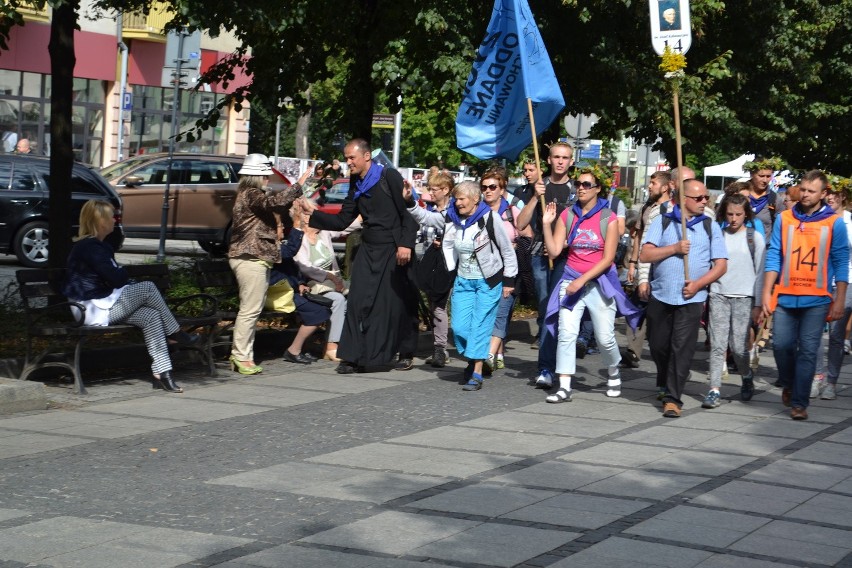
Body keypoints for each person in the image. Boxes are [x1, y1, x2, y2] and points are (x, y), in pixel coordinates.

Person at [62, 200, 199, 393]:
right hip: (89, 309)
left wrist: (120, 274)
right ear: (101, 221)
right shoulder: (90, 248)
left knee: (151, 316)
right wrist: (121, 273)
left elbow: (115, 278)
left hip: (105, 304)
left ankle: (163, 373)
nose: (115, 220)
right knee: (148, 287)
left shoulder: (100, 246)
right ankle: (174, 332)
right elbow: (117, 279)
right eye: (111, 217)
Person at [308, 138, 419, 374]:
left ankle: (392, 354)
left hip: (393, 248)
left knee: (390, 304)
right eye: (346, 158)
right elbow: (342, 220)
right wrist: (312, 215)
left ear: (366, 156)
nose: (348, 163)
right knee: (357, 300)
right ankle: (351, 356)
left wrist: (405, 244)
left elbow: (406, 215)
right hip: (369, 248)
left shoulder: (388, 176)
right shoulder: (356, 183)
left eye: (352, 158)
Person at [540, 170, 640, 402]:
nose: (581, 188)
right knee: (567, 334)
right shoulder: (567, 215)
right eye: (578, 184)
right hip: (571, 278)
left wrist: (582, 281)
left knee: (605, 337)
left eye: (587, 184)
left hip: (599, 282)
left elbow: (608, 259)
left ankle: (614, 371)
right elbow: (555, 251)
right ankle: (564, 386)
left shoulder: (608, 218)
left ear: (597, 189)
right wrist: (546, 224)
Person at [409, 181, 517, 391]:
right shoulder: (452, 216)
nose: (457, 203)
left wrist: (509, 281)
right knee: (459, 328)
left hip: (488, 281)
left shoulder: (490, 218)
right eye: (456, 199)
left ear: (475, 199)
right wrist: (409, 202)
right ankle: (474, 358)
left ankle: (476, 371)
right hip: (463, 280)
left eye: (461, 199)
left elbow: (507, 251)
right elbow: (427, 217)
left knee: (479, 326)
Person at [762, 170, 847, 420]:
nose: (806, 194)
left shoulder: (834, 222)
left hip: (818, 298)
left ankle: (799, 402)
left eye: (812, 191)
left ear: (823, 193)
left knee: (809, 350)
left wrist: (839, 299)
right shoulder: (785, 218)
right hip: (786, 295)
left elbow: (841, 261)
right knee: (781, 345)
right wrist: (767, 292)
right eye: (803, 189)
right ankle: (789, 383)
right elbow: (774, 255)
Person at [641, 179, 728, 418]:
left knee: (682, 348)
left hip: (691, 298)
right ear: (682, 199)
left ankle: (672, 398)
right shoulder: (663, 221)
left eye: (706, 197)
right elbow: (645, 254)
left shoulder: (710, 226)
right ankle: (665, 379)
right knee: (659, 345)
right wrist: (674, 249)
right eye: (698, 198)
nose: (704, 202)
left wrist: (699, 283)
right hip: (661, 294)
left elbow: (721, 265)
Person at [228, 154, 305, 375]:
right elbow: (273, 202)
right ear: (255, 176)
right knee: (250, 310)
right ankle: (241, 355)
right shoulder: (251, 194)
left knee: (252, 309)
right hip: (248, 257)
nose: (267, 180)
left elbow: (276, 206)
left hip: (255, 258)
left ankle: (244, 355)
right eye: (265, 176)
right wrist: (299, 184)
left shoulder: (252, 195)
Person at [516, 142, 576, 388]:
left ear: (571, 161)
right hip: (541, 255)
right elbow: (520, 224)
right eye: (556, 157)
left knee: (563, 313)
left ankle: (562, 366)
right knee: (546, 310)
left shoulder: (576, 189)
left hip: (568, 257)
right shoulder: (539, 187)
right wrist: (534, 196)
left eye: (565, 158)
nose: (561, 161)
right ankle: (545, 368)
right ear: (549, 160)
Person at [703, 194, 765, 408]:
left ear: (746, 214)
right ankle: (714, 389)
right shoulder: (718, 235)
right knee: (718, 344)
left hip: (744, 297)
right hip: (719, 294)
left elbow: (760, 272)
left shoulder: (754, 237)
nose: (733, 218)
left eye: (738, 214)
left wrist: (758, 303)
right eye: (729, 214)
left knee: (738, 347)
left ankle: (746, 376)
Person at [268, 201, 334, 365]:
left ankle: (296, 349)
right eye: (279, 226)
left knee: (320, 309)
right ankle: (294, 350)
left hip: (289, 291)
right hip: (277, 294)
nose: (283, 228)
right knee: (318, 311)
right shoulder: (268, 247)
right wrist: (297, 224)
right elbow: (290, 251)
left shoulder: (277, 245)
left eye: (282, 225)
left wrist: (299, 283)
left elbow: (292, 269)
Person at [293, 201, 354, 362]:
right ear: (304, 218)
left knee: (358, 294)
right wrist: (330, 277)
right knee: (338, 300)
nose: (320, 217)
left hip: (334, 284)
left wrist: (363, 214)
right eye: (314, 213)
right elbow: (305, 267)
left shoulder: (324, 233)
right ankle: (331, 347)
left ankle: (350, 343)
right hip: (313, 286)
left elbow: (346, 226)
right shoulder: (299, 238)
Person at [480, 166, 524, 373]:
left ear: (502, 188)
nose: (488, 190)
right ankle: (498, 352)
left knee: (501, 311)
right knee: (488, 312)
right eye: (484, 187)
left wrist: (514, 245)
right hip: (483, 270)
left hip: (508, 269)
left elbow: (527, 234)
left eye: (492, 186)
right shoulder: (477, 210)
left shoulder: (512, 209)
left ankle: (489, 355)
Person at [810, 183, 851, 401]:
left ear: (843, 196)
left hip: (847, 283)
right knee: (814, 333)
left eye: (836, 194)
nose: (832, 197)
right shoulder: (819, 220)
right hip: (820, 280)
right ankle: (817, 376)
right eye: (829, 193)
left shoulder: (850, 222)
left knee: (836, 334)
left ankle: (832, 382)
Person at [415, 171, 454, 368]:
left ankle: (440, 349)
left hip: (448, 266)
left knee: (439, 306)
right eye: (429, 188)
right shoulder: (429, 210)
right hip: (429, 266)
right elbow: (420, 238)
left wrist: (445, 243)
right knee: (433, 305)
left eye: (434, 189)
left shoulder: (454, 212)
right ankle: (439, 347)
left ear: (446, 190)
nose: (430, 192)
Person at [746, 157, 786, 236]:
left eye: (768, 176)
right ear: (751, 174)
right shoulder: (739, 194)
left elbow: (781, 226)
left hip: (765, 246)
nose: (765, 180)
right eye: (761, 176)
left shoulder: (774, 199)